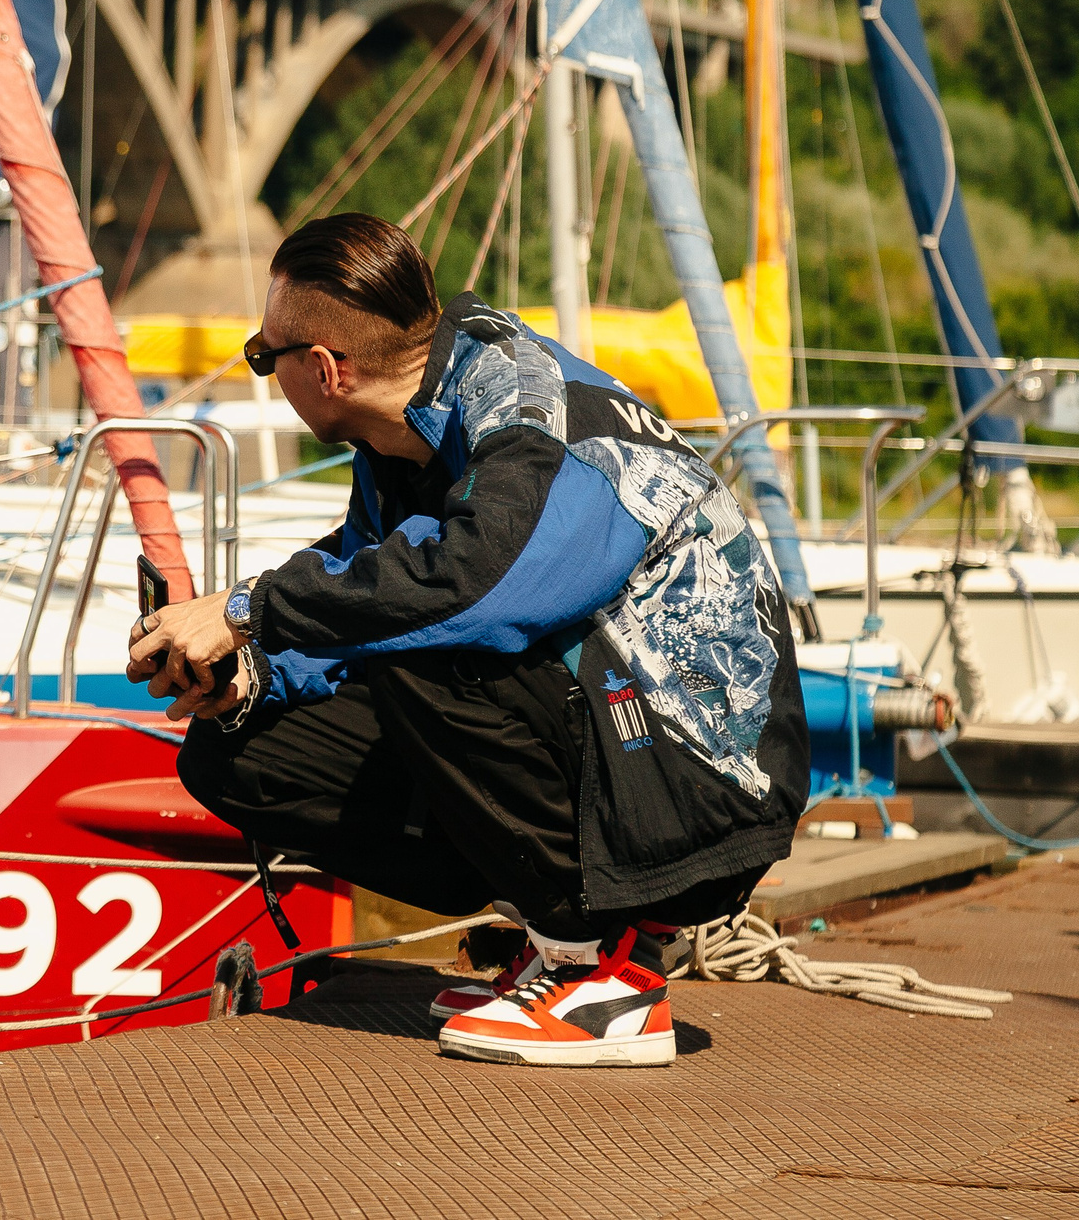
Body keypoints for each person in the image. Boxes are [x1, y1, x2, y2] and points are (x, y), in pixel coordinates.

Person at [128, 212, 806, 1068]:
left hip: (704, 789)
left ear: (327, 369)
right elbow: (364, 576)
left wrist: (240, 609)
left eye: (267, 356)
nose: (264, 374)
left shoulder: (532, 424)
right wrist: (248, 672)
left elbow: (475, 587)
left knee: (420, 636)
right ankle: (548, 925)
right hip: (613, 749)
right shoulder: (404, 434)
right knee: (239, 755)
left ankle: (603, 973)